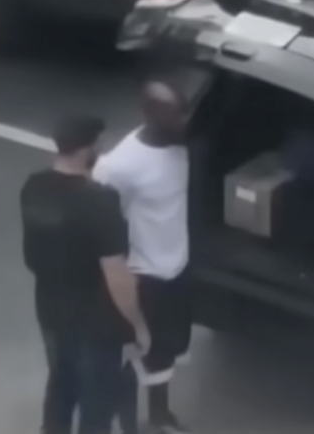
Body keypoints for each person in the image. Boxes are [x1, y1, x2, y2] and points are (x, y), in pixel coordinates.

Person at [20, 114, 150, 434]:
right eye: (99, 144)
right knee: (97, 401)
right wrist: (138, 326)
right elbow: (118, 278)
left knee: (61, 383)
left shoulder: (33, 186)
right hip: (94, 319)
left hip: (49, 308)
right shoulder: (99, 202)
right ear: (85, 149)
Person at [94, 82, 192, 434]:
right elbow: (106, 221)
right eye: (175, 117)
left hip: (177, 265)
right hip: (144, 271)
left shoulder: (182, 145)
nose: (184, 123)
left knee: (165, 348)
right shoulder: (120, 166)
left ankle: (159, 413)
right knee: (134, 350)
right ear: (150, 116)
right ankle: (123, 421)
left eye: (184, 113)